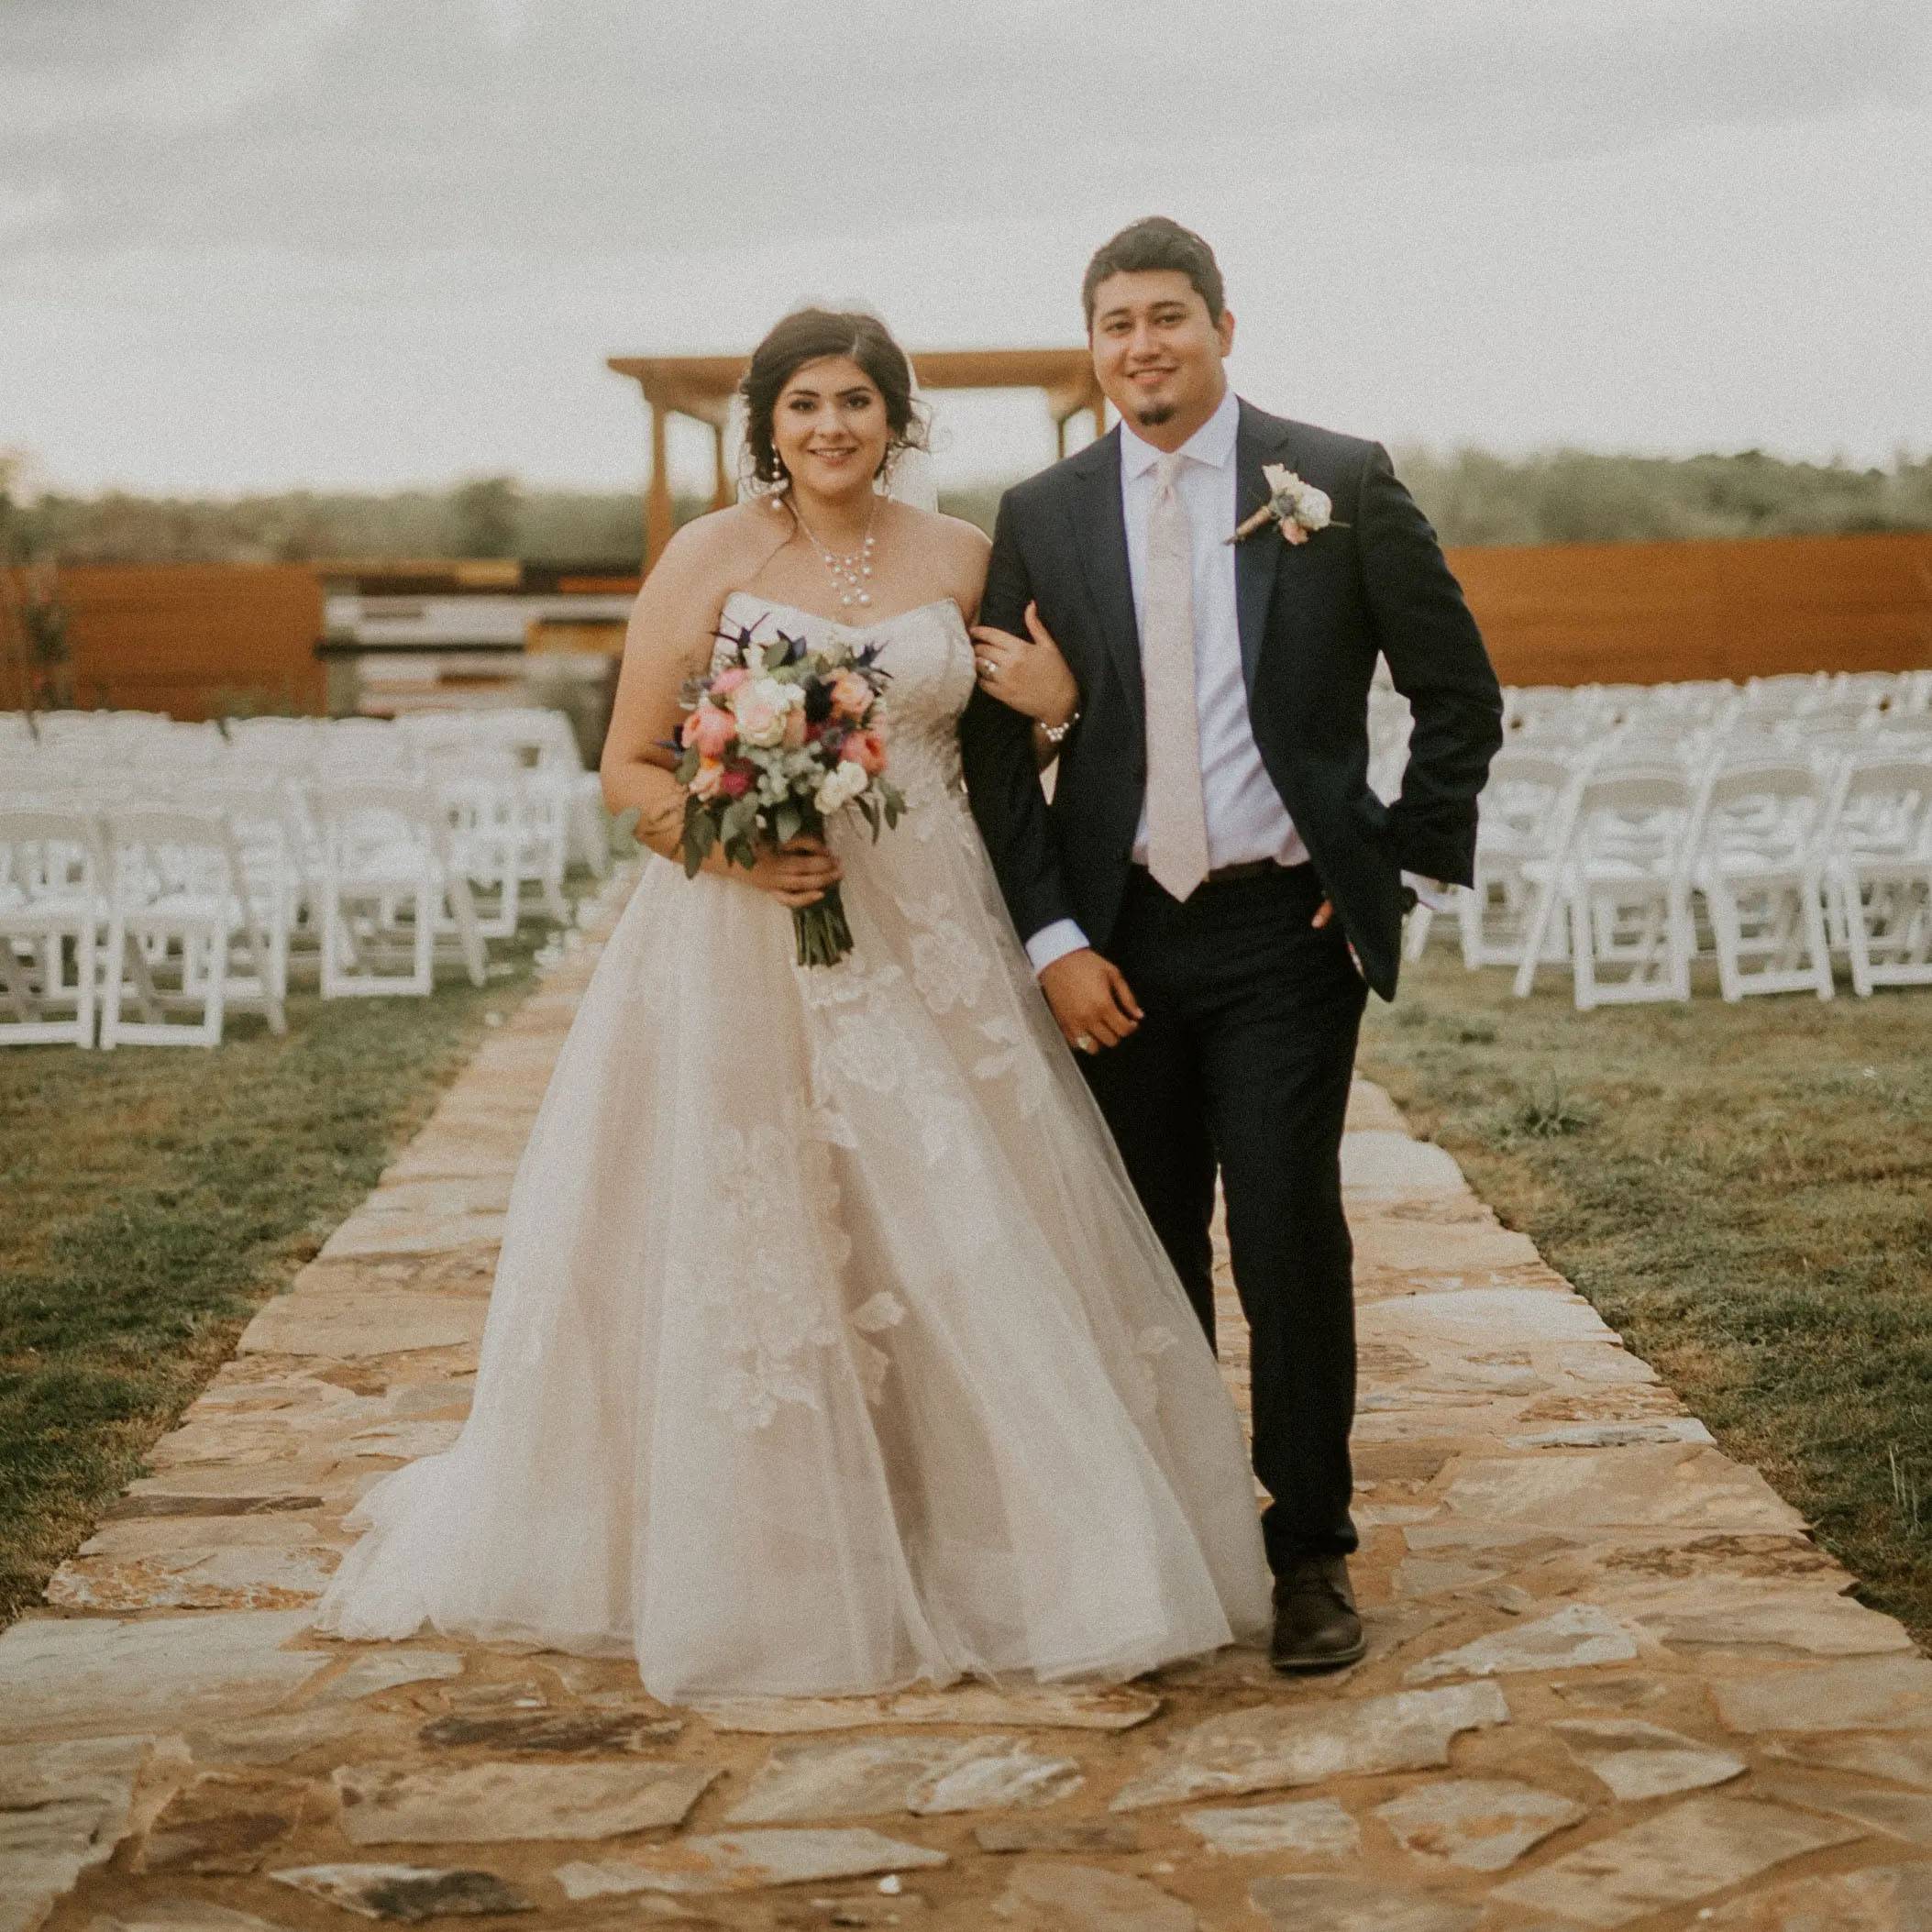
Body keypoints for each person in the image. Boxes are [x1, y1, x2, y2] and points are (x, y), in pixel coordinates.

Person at [314, 307, 1272, 1702]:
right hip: (751, 939)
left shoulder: (963, 558)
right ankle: (780, 1546)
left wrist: (1058, 709)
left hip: (942, 933)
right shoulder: (709, 557)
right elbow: (633, 771)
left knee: (964, 1223)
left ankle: (994, 1530)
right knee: (782, 1232)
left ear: (899, 419)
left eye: (860, 402)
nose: (833, 426)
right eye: (806, 403)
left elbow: (1017, 754)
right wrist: (738, 841)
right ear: (765, 422)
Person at [961, 218, 1504, 1672]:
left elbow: (1458, 693)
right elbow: (1002, 762)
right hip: (1116, 938)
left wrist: (1388, 845)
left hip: (1281, 933)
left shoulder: (1333, 479)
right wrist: (1054, 938)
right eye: (1116, 322)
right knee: (1146, 1250)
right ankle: (1187, 1538)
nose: (1142, 344)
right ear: (1093, 348)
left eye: (1167, 316)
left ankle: (1311, 1547)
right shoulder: (1043, 510)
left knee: (1281, 1229)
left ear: (1222, 326)